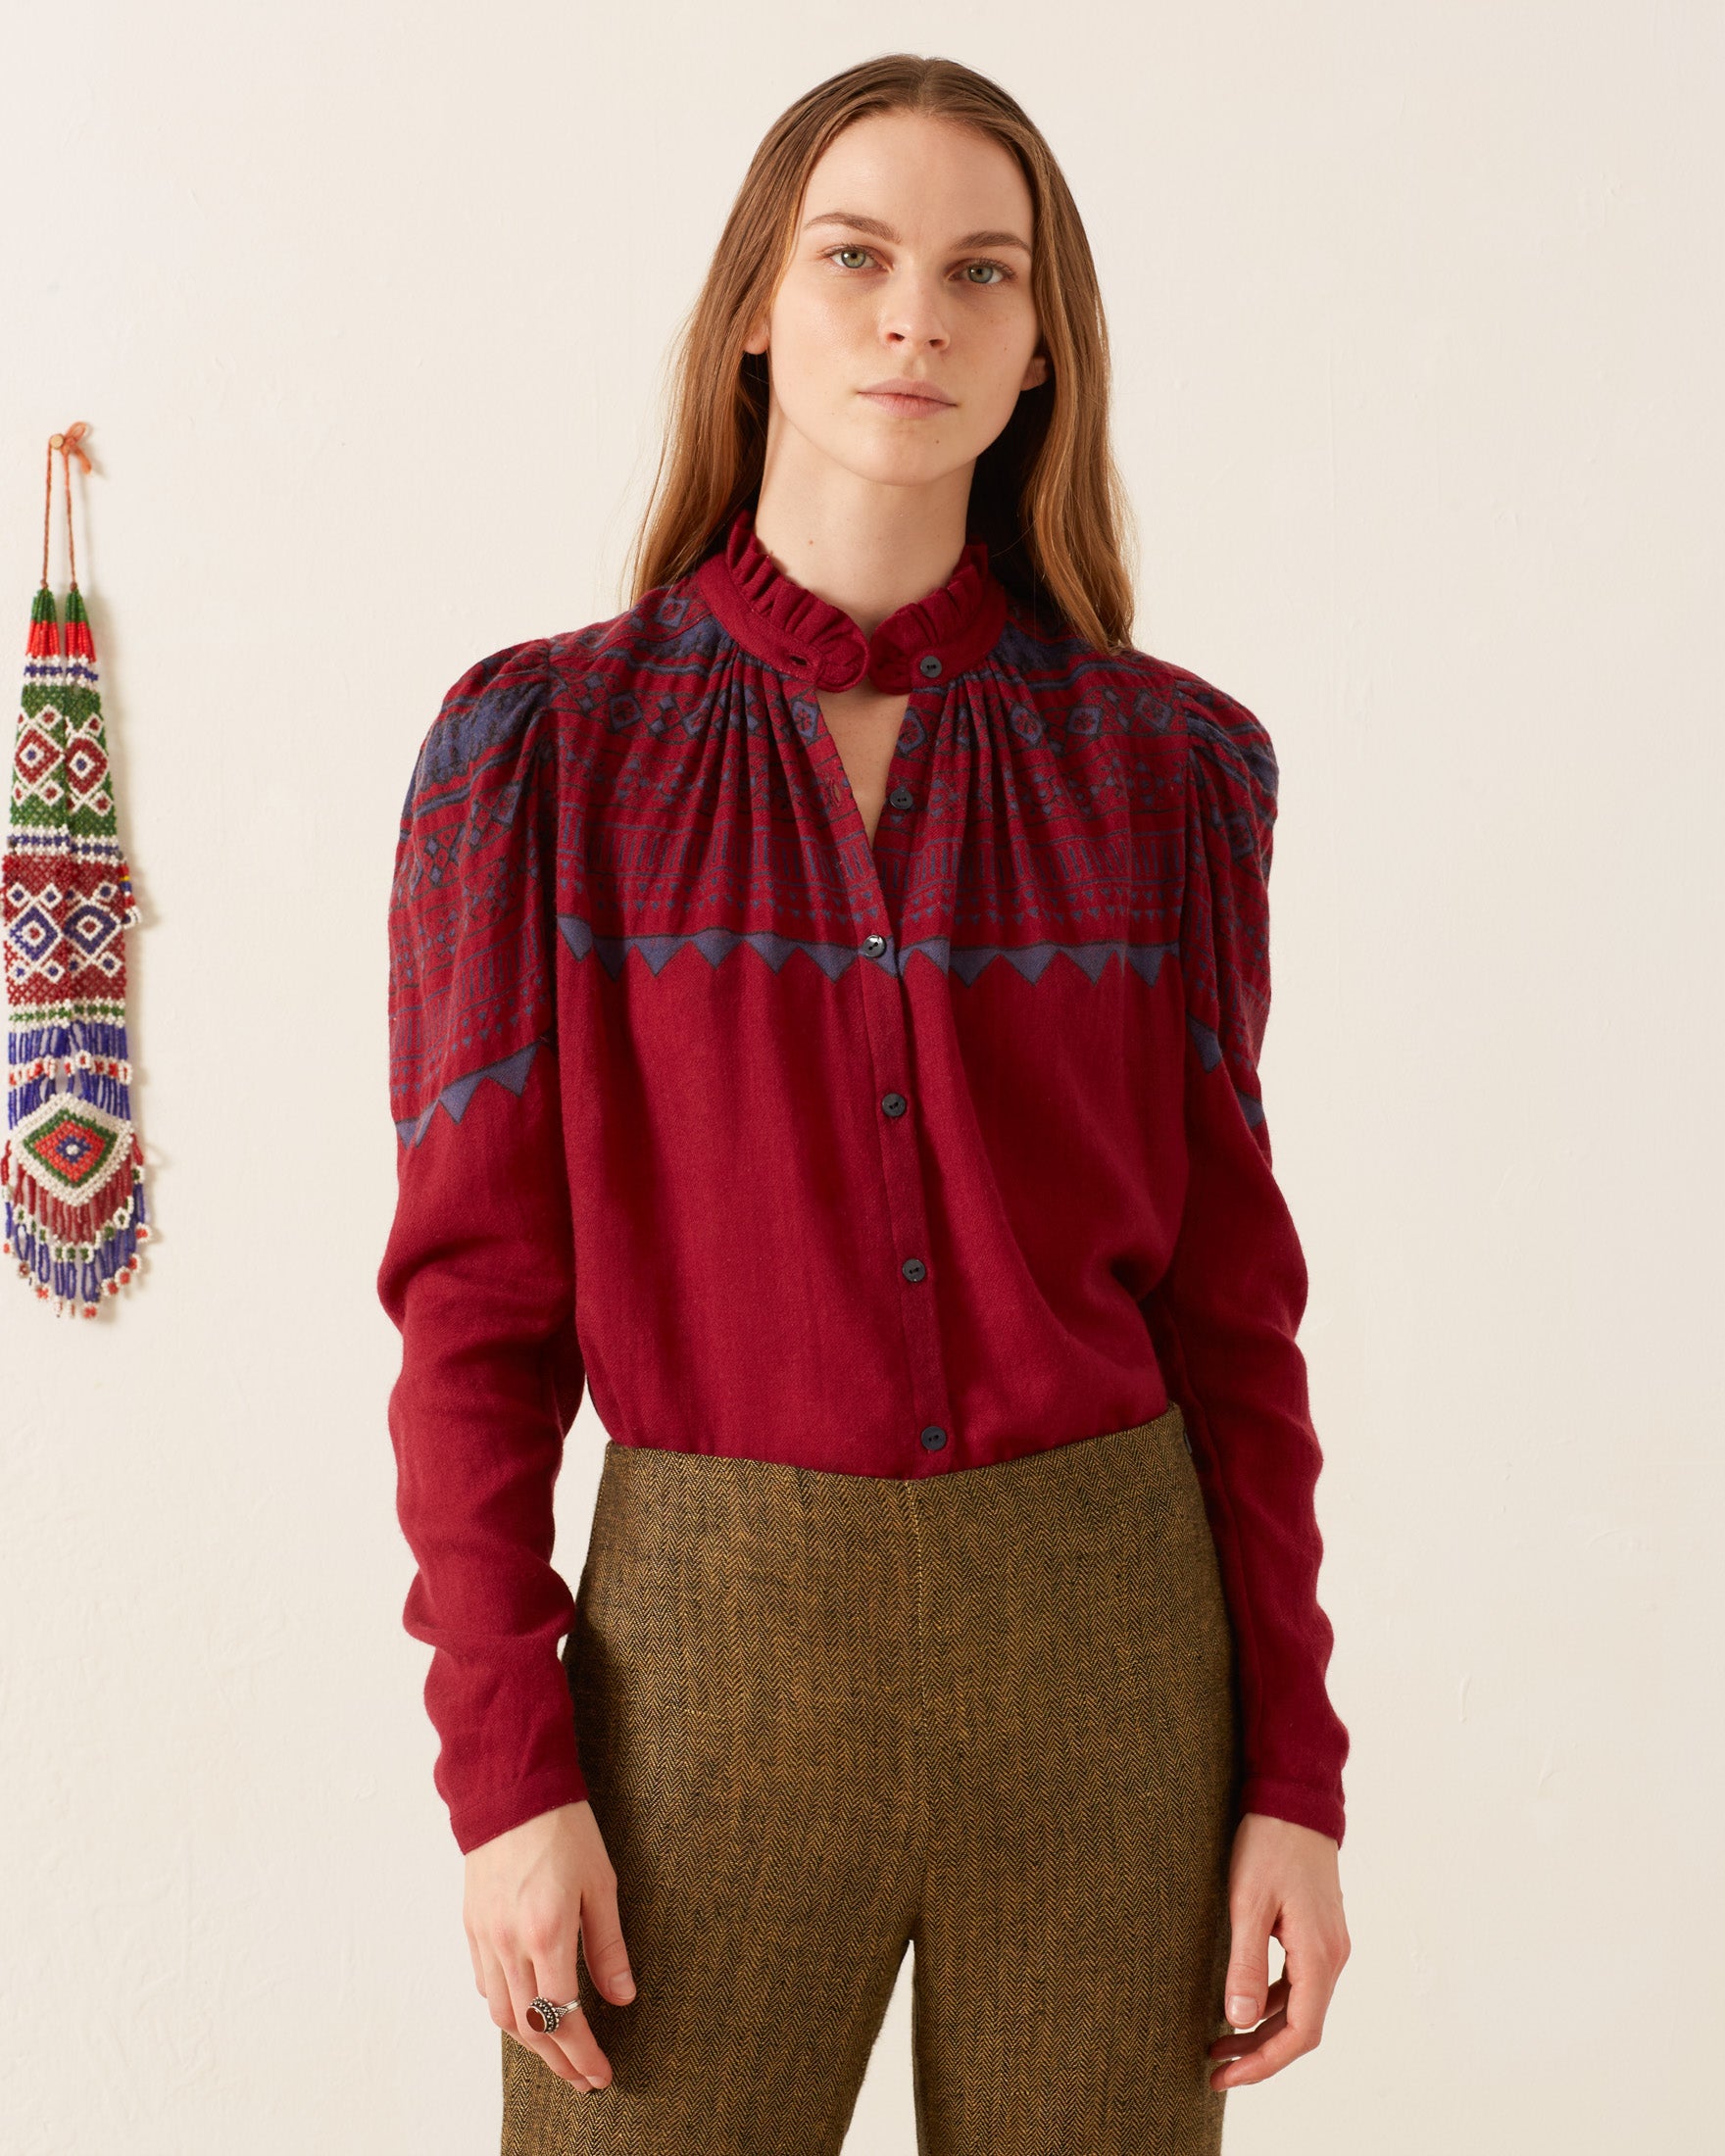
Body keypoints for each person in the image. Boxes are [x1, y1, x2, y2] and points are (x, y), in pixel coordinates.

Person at [377, 51, 1351, 2156]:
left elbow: (1233, 1313)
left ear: (1035, 352)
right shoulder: (543, 752)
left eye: (980, 274)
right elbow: (471, 1310)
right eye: (857, 256)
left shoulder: (1166, 775)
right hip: (705, 1658)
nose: (915, 313)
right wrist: (507, 1776)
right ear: (753, 310)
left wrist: (1293, 1770)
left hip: (1112, 1655)